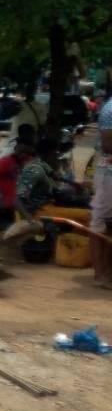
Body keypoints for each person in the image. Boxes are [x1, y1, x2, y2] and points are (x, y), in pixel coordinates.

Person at [90, 88, 112, 289]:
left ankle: (107, 272)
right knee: (100, 223)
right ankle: (100, 275)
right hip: (108, 175)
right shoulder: (110, 109)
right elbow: (107, 144)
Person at [0, 140, 33, 211]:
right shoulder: (6, 161)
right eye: (22, 152)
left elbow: (13, 191)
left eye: (26, 153)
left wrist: (29, 219)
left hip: (10, 205)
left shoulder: (19, 165)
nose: (24, 156)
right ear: (16, 149)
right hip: (0, 205)